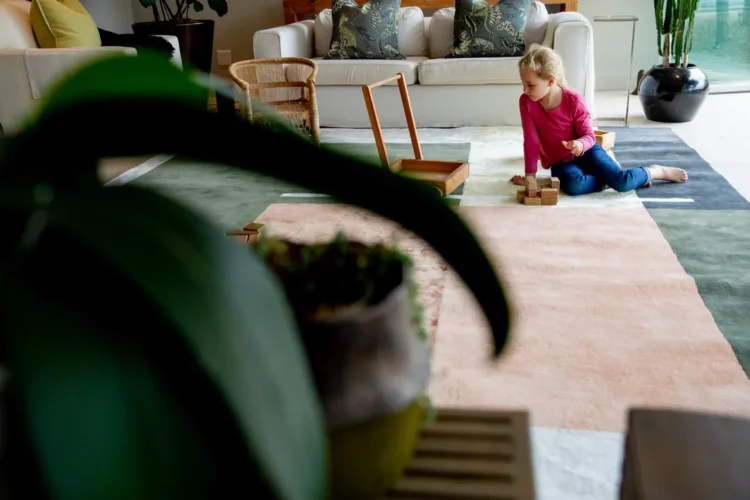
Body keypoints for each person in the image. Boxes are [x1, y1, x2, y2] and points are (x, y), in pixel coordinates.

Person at [510, 44, 688, 196]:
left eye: (530, 84)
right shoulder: (526, 102)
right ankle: (608, 181)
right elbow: (531, 141)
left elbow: (589, 136)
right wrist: (530, 177)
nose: (525, 89)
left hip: (588, 151)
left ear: (550, 81)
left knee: (623, 183)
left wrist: (579, 144)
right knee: (574, 186)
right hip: (560, 161)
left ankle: (656, 171)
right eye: (523, 83)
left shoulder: (573, 100)